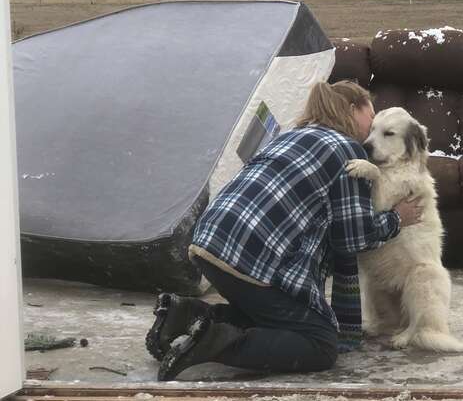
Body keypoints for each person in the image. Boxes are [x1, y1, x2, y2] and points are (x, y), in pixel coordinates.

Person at [146, 80, 422, 380]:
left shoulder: (292, 136)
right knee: (319, 343)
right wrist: (397, 218)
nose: (370, 133)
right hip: (250, 258)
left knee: (277, 317)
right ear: (353, 110)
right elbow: (353, 237)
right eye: (371, 119)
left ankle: (184, 316)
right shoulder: (346, 149)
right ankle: (211, 342)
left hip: (210, 241)